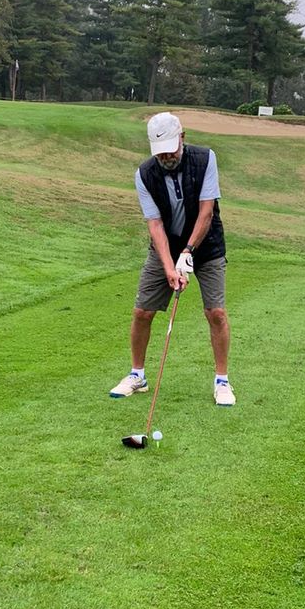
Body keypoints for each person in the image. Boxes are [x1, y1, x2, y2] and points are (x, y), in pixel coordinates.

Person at [109, 111, 236, 407]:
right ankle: (137, 375)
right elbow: (155, 225)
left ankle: (222, 381)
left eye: (170, 149)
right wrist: (170, 267)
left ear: (182, 138)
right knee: (142, 312)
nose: (166, 157)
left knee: (216, 312)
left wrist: (188, 252)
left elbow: (206, 212)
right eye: (160, 152)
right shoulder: (144, 174)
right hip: (165, 247)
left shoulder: (205, 159)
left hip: (206, 246)